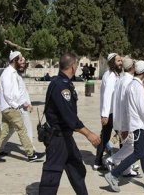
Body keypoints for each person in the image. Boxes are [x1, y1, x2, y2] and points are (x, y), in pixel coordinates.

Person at [38, 52, 101, 194]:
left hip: (66, 137)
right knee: (52, 176)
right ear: (73, 66)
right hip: (58, 139)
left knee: (77, 168)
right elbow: (69, 116)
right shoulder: (61, 86)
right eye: (77, 65)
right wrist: (88, 133)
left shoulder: (61, 82)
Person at [104, 61, 144, 192]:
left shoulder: (131, 85)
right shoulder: (137, 87)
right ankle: (113, 174)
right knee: (139, 153)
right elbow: (143, 111)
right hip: (138, 126)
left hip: (138, 126)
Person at [0, 51, 42, 163]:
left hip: (7, 107)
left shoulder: (13, 73)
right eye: (21, 59)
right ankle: (31, 154)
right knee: (22, 129)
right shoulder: (8, 74)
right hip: (10, 108)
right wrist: (16, 105)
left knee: (3, 132)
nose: (23, 62)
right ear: (14, 60)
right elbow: (7, 94)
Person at [106, 57, 140, 177]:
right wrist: (128, 124)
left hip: (119, 118)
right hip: (126, 120)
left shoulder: (120, 79)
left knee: (127, 145)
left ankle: (126, 170)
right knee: (132, 146)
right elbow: (128, 104)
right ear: (132, 67)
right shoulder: (129, 81)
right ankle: (113, 160)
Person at [93, 53, 122, 171]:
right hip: (111, 112)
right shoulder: (110, 76)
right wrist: (105, 115)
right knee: (123, 136)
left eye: (121, 60)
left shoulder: (113, 75)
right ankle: (124, 162)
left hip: (111, 112)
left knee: (105, 137)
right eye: (118, 61)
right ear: (112, 63)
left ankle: (97, 162)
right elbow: (107, 95)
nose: (121, 63)